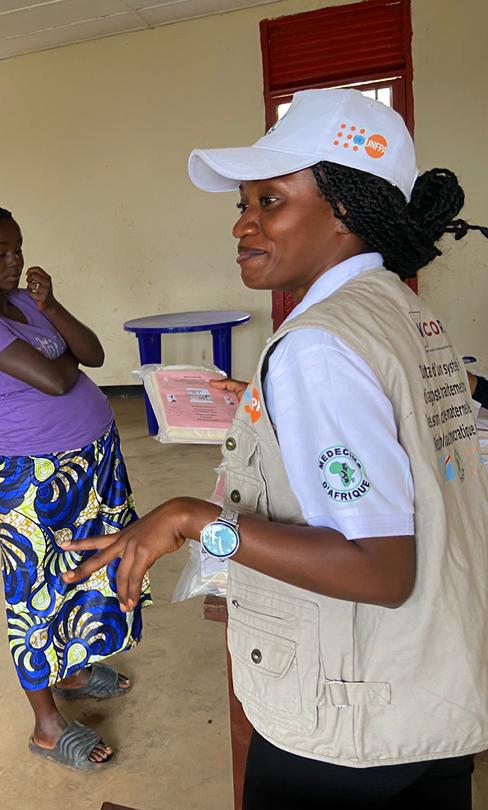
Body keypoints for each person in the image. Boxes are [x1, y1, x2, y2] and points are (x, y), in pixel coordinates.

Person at [61, 90, 488, 808]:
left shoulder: (318, 346)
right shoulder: (401, 310)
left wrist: (196, 522)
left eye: (271, 200)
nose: (244, 225)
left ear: (347, 210)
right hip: (427, 689)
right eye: (243, 204)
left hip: (348, 718)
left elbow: (380, 569)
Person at [0, 204, 148, 771]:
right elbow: (57, 379)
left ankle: (74, 668)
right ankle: (47, 727)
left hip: (93, 460)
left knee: (86, 570)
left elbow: (94, 354)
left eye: (18, 249)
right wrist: (65, 350)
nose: (14, 262)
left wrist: (51, 307)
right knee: (35, 593)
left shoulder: (28, 303)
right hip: (36, 477)